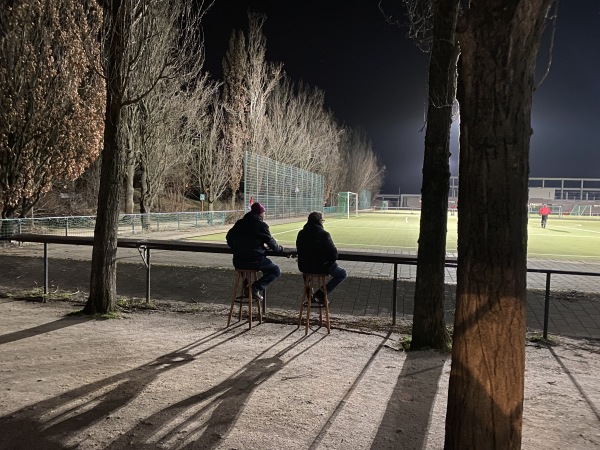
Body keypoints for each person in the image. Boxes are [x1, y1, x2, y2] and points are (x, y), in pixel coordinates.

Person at [226, 202, 283, 301]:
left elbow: (229, 237)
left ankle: (246, 286)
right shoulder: (261, 225)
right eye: (263, 212)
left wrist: (236, 248)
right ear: (260, 213)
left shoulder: (240, 223)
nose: (264, 214)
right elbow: (272, 244)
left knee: (245, 268)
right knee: (275, 271)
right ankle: (254, 288)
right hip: (254, 261)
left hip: (238, 261)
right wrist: (281, 249)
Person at [296, 211, 347, 306]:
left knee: (306, 273)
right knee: (342, 274)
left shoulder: (301, 233)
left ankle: (310, 296)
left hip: (304, 267)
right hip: (321, 267)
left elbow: (300, 250)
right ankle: (320, 294)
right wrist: (329, 263)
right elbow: (334, 253)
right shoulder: (324, 234)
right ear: (320, 221)